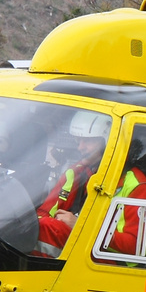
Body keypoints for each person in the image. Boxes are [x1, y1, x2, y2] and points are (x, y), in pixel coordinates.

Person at [34, 110, 109, 256]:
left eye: (88, 141)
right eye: (78, 141)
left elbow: (131, 246)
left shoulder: (130, 182)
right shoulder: (75, 173)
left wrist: (80, 225)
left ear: (106, 141)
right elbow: (45, 213)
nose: (80, 147)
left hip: (107, 261)